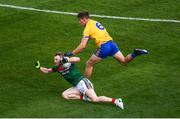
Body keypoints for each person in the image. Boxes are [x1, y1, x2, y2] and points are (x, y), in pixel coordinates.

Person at [64, 11, 148, 78]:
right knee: (124, 61)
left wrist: (72, 53)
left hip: (104, 47)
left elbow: (82, 46)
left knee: (89, 64)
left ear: (84, 19)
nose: (79, 22)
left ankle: (84, 87)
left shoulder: (87, 28)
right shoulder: (95, 22)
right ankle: (135, 53)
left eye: (80, 20)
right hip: (112, 44)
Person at [35, 52, 124, 109]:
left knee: (95, 99)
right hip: (77, 86)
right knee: (65, 95)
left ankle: (116, 101)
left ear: (61, 58)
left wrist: (67, 59)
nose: (54, 61)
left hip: (83, 83)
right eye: (54, 59)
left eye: (56, 59)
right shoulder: (57, 67)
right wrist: (39, 67)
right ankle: (84, 97)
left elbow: (77, 59)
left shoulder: (67, 62)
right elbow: (47, 71)